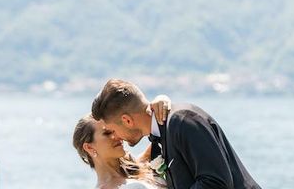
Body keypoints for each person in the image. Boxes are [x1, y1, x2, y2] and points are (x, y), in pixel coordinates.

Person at [91, 79, 262, 189]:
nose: (116, 137)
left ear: (127, 120)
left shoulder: (183, 121)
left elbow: (216, 183)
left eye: (112, 130)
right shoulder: (159, 137)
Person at [73, 97, 170, 189]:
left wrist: (161, 100)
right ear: (89, 147)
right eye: (107, 133)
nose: (118, 136)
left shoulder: (139, 167)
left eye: (115, 130)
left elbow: (164, 136)